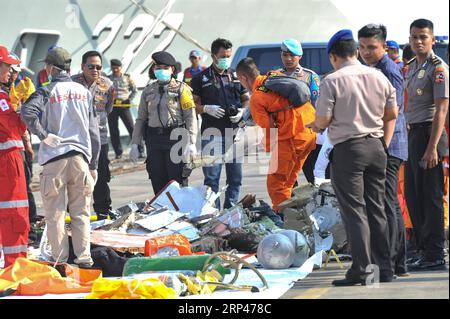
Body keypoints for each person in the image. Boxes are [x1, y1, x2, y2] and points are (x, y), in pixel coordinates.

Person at [310, 29, 398, 286]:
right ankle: (384, 268)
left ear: (334, 56)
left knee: (355, 212)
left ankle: (362, 270)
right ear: (356, 53)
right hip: (377, 147)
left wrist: (317, 125)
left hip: (349, 150)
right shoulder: (379, 76)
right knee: (377, 208)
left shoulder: (333, 80)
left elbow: (323, 119)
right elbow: (391, 113)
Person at [21, 47, 101, 267]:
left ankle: (60, 262)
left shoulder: (46, 90)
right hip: (80, 159)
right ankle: (85, 260)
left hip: (55, 159)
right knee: (81, 213)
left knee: (55, 215)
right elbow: (94, 132)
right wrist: (93, 165)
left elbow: (27, 113)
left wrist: (44, 136)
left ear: (51, 68)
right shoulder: (84, 92)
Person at [358, 24, 409, 276]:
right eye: (363, 47)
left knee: (386, 203)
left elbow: (391, 111)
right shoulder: (372, 69)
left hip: (389, 144)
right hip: (382, 143)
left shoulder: (389, 70)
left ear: (384, 46)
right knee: (387, 203)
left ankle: (390, 259)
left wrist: (382, 147)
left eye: (372, 47)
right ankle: (397, 261)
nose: (366, 52)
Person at [236, 57, 316, 211]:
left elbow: (269, 128)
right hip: (308, 132)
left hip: (291, 138)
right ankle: (298, 216)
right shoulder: (274, 77)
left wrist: (267, 148)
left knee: (276, 184)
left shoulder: (257, 97)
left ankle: (285, 220)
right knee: (289, 182)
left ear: (243, 78)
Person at [404, 19, 449, 271]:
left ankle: (435, 253)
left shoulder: (438, 68)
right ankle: (421, 249)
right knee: (413, 195)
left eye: (423, 37)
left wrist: (432, 148)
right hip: (414, 135)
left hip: (429, 135)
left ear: (432, 39)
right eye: (414, 37)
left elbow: (442, 110)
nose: (418, 41)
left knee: (430, 196)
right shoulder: (412, 66)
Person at [191, 38, 250, 209]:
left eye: (229, 56)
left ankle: (230, 209)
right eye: (223, 56)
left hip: (235, 133)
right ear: (213, 56)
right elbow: (192, 107)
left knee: (235, 178)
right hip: (212, 134)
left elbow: (246, 99)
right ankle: (213, 213)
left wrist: (243, 112)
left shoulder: (236, 76)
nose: (226, 59)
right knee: (211, 179)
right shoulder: (200, 79)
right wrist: (205, 108)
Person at [129, 51, 197, 194]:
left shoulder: (182, 89)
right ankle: (162, 212)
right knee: (157, 179)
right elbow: (141, 119)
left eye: (165, 67)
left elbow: (190, 116)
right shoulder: (148, 91)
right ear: (153, 69)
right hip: (154, 139)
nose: (161, 70)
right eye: (157, 67)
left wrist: (191, 142)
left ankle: (179, 214)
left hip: (176, 139)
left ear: (172, 69)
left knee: (176, 180)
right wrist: (135, 143)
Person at [72, 51, 115, 220]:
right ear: (83, 66)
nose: (95, 70)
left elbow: (108, 109)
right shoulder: (72, 83)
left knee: (101, 175)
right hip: (77, 139)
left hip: (99, 138)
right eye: (91, 66)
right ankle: (76, 212)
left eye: (98, 67)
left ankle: (103, 210)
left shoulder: (108, 85)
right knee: (76, 177)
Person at [278, 38, 323, 185]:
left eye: (292, 55)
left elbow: (317, 106)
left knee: (314, 177)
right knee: (285, 181)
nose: (288, 59)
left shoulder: (310, 77)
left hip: (306, 135)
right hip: (283, 136)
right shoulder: (274, 77)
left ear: (300, 56)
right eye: (285, 55)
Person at [0, 46, 29, 268]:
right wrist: (25, 109)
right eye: (8, 67)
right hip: (8, 164)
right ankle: (15, 266)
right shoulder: (1, 98)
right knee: (15, 214)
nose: (11, 72)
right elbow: (13, 130)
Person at [107, 58, 142, 160]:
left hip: (124, 106)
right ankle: (118, 153)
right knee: (113, 130)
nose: (115, 69)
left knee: (132, 128)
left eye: (117, 67)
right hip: (113, 107)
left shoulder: (127, 78)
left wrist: (129, 100)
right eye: (113, 67)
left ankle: (140, 150)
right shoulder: (108, 79)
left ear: (120, 68)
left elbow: (134, 90)